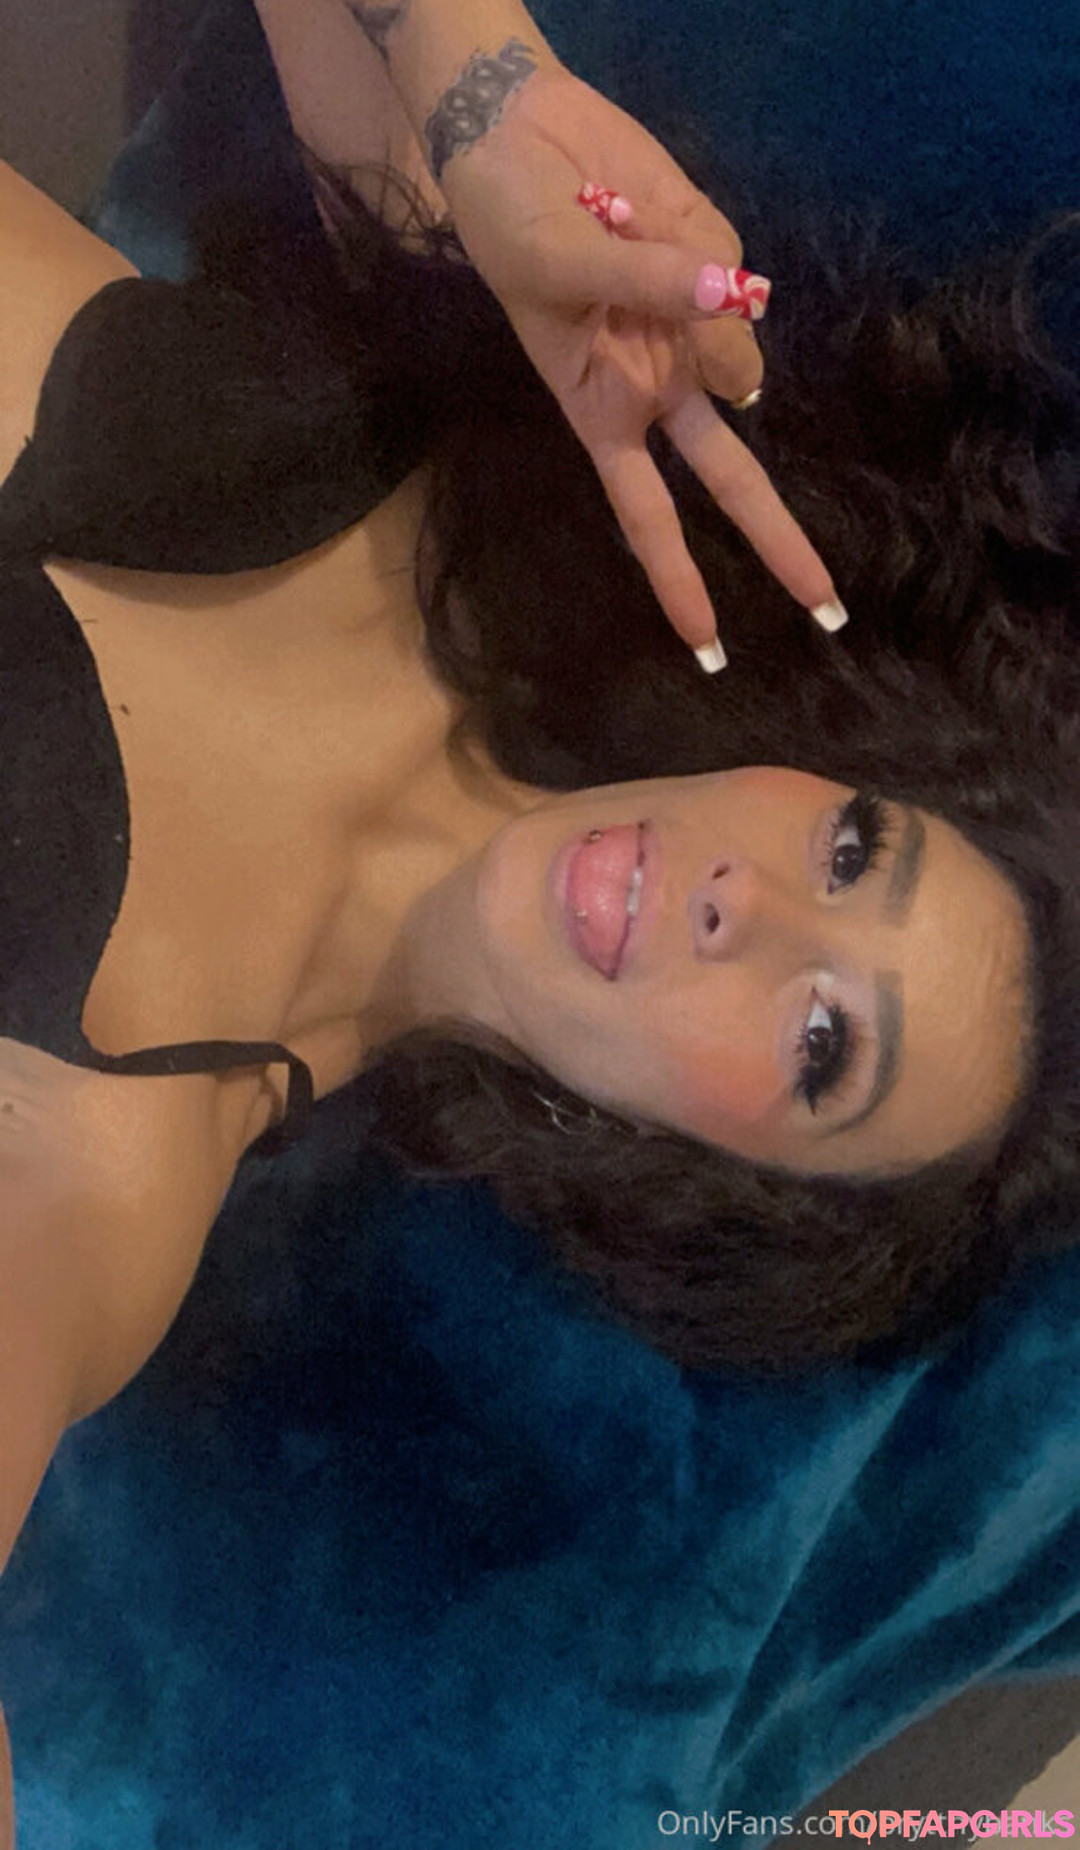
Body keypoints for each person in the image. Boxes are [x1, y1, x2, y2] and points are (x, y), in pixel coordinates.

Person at [0, 0, 1077, 1638]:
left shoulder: (99, 1176)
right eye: (854, 847)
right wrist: (476, 81)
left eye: (820, 1043)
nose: (748, 903)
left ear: (706, 1178)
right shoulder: (493, 437)